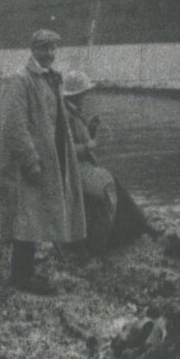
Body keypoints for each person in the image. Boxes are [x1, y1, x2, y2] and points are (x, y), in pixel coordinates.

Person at [0, 28, 86, 293]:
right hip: (30, 162)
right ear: (32, 50)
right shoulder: (21, 80)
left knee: (34, 214)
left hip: (49, 158)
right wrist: (30, 160)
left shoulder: (51, 78)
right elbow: (14, 125)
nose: (49, 53)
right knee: (26, 216)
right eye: (43, 48)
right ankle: (21, 276)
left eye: (52, 48)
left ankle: (25, 271)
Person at [60, 69, 151, 254]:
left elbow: (77, 139)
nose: (85, 96)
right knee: (108, 189)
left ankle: (139, 227)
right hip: (73, 170)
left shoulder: (73, 111)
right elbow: (64, 150)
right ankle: (99, 245)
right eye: (84, 93)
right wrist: (88, 146)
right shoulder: (66, 116)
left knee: (114, 183)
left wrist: (90, 129)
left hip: (82, 166)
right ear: (78, 94)